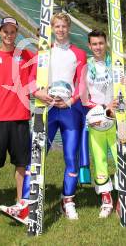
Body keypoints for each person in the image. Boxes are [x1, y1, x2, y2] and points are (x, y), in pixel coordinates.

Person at [30, 12, 87, 220]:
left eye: (64, 26)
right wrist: (38, 93)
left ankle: (68, 200)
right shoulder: (43, 52)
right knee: (37, 154)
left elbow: (82, 83)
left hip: (70, 110)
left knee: (71, 157)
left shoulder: (79, 54)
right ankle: (29, 200)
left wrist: (71, 101)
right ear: (52, 29)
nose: (61, 30)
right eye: (57, 26)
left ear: (68, 28)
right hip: (48, 109)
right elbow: (30, 80)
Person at [0, 17, 35, 221]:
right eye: (5, 31)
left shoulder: (27, 55)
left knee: (21, 163)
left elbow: (44, 61)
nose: (9, 35)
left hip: (20, 117)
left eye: (13, 32)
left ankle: (20, 203)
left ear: (17, 33)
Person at [80, 29, 119, 218]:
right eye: (94, 44)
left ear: (106, 43)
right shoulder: (85, 67)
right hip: (96, 119)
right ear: (89, 46)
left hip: (116, 118)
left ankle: (123, 196)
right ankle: (106, 198)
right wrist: (103, 106)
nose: (98, 47)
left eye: (101, 43)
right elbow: (83, 97)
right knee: (99, 158)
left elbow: (125, 89)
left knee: (121, 157)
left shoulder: (116, 63)